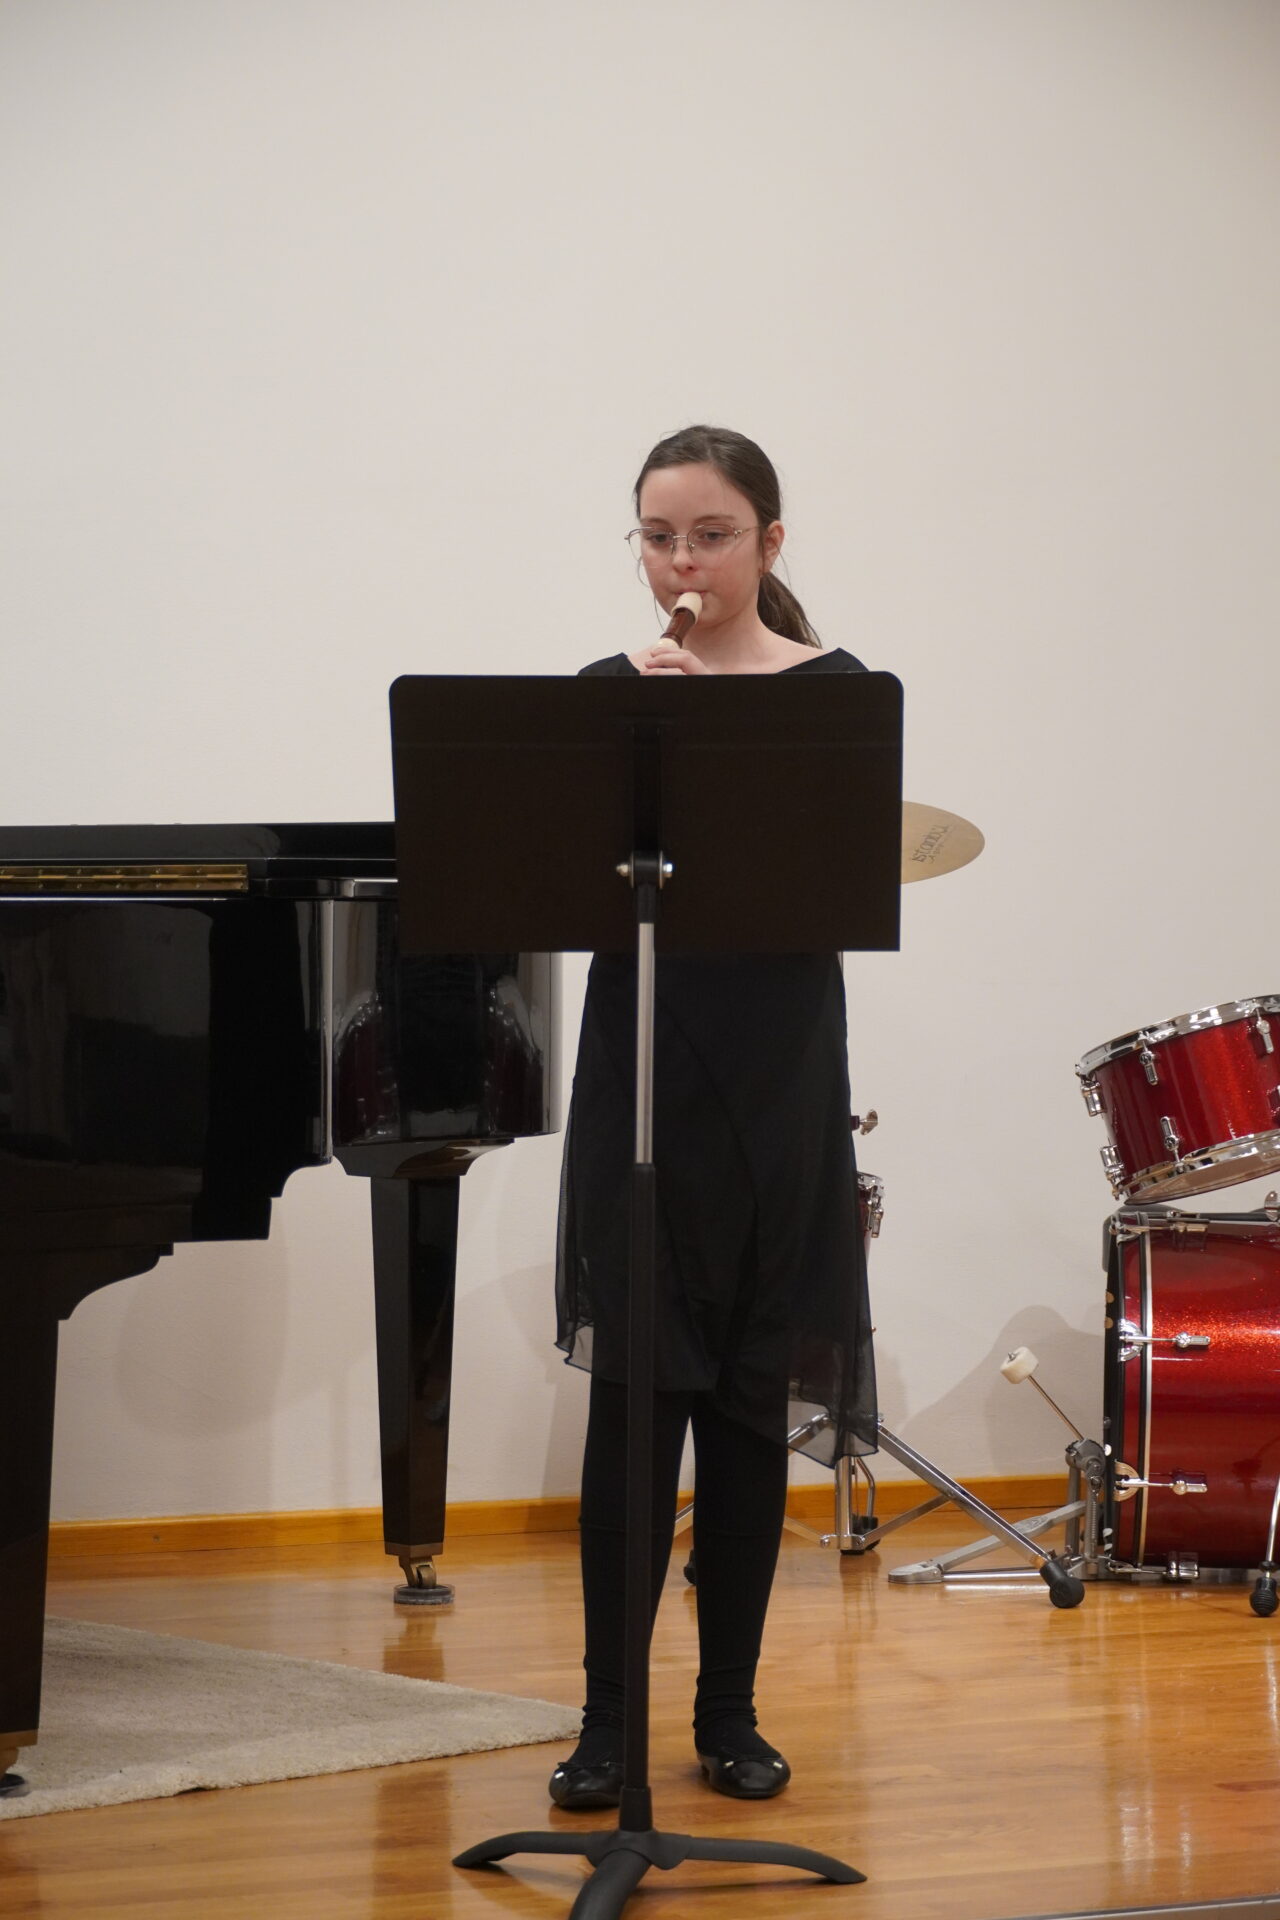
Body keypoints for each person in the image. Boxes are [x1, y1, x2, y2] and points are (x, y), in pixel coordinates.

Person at [550, 425, 877, 1811]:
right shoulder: (605, 695)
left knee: (749, 1409)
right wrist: (642, 737)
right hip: (641, 1079)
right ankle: (606, 1724)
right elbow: (555, 885)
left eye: (711, 535)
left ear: (769, 541)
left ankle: (728, 1713)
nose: (681, 563)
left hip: (777, 1085)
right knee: (632, 1416)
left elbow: (828, 891)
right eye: (659, 537)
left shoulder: (835, 694)